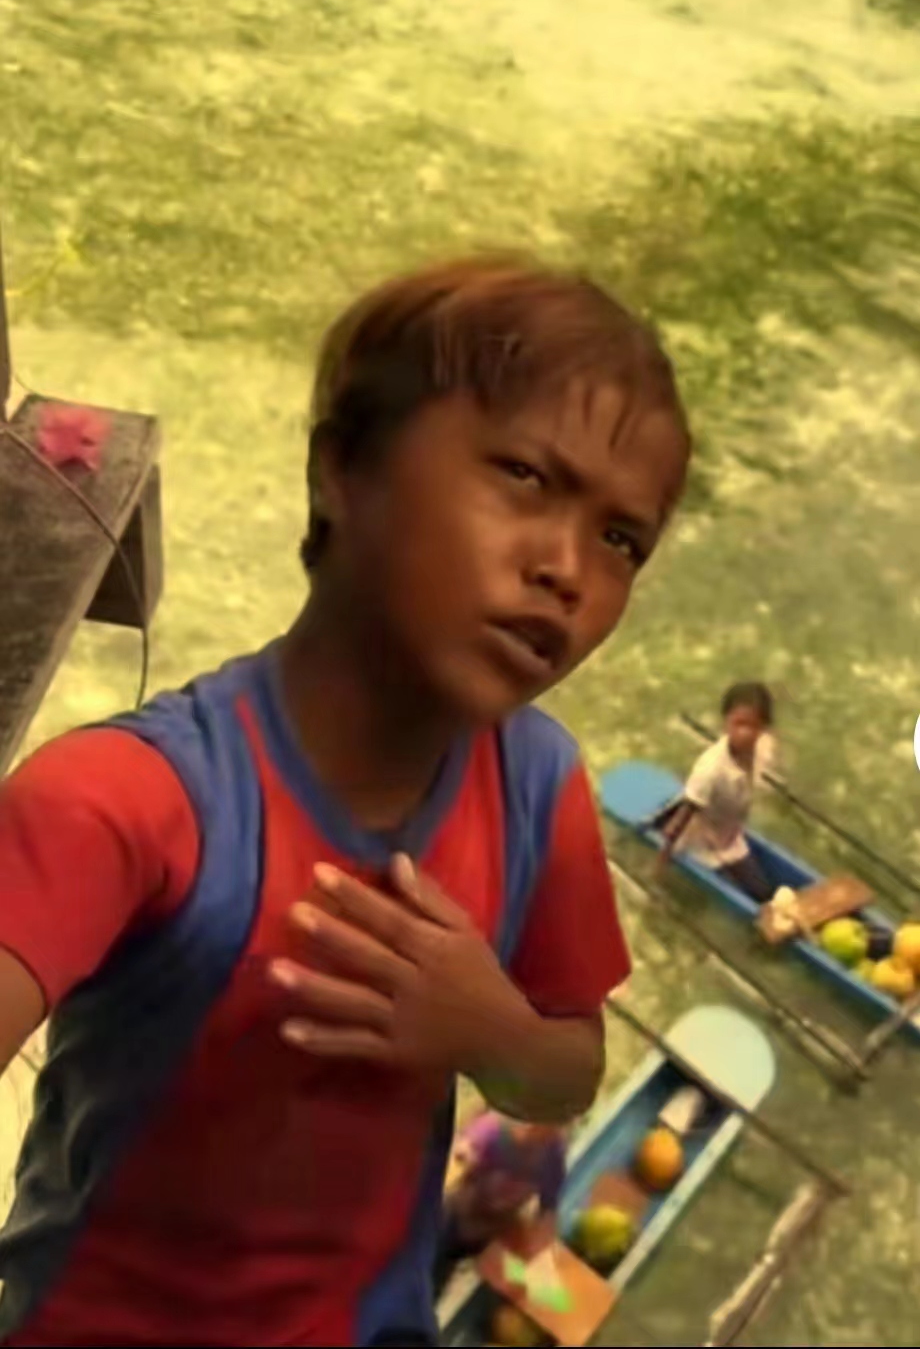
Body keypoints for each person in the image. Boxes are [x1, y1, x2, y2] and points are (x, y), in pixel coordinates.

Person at [0, 255, 691, 1348]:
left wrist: (485, 1028)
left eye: (621, 540)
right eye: (523, 474)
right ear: (343, 469)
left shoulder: (539, 787)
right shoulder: (128, 804)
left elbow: (566, 1068)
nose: (569, 568)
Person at [655, 681, 778, 901]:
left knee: (765, 891)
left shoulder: (763, 748)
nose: (745, 734)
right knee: (762, 894)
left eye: (754, 727)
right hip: (704, 843)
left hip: (730, 831)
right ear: (725, 722)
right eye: (739, 724)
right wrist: (661, 862)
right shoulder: (710, 769)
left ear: (764, 729)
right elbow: (685, 815)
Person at [434, 1113, 567, 1293]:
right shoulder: (493, 1129)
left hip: (489, 1235)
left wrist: (539, 1255)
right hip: (452, 1219)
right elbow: (462, 1152)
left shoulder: (552, 1155)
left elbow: (548, 1211)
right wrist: (466, 1154)